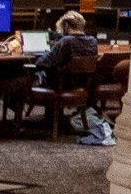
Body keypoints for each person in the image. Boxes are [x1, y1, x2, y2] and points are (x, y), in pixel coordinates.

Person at [37, 10, 112, 148]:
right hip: (82, 86)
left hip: (61, 86)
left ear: (66, 26)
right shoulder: (92, 41)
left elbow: (42, 62)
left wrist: (48, 52)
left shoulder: (66, 41)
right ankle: (56, 120)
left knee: (34, 75)